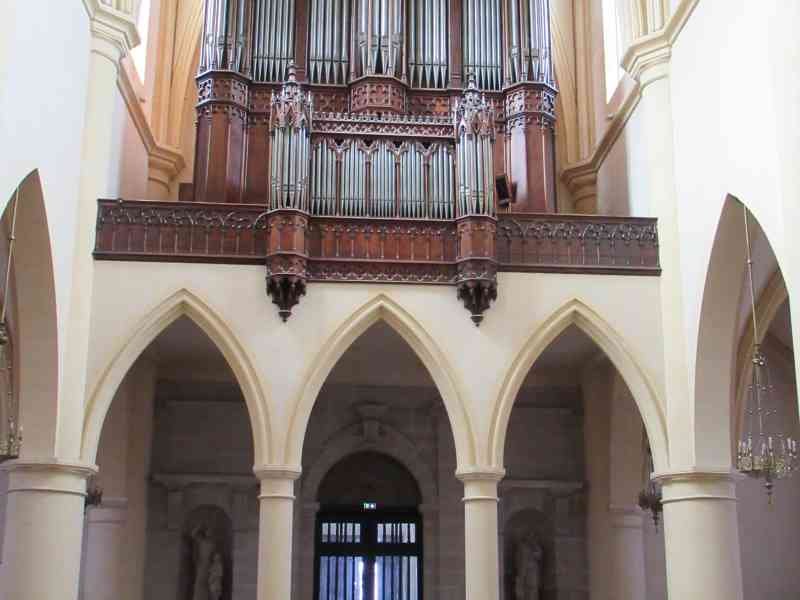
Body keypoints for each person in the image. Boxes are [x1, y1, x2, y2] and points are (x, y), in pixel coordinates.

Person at [190, 526, 217, 600]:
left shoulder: (209, 544)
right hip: (203, 567)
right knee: (200, 587)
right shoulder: (204, 543)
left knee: (203, 586)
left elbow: (213, 557)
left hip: (207, 568)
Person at [514, 533, 543, 600]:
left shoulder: (535, 546)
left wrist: (534, 548)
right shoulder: (521, 546)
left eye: (532, 537)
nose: (530, 538)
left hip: (532, 570)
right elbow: (517, 558)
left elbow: (539, 555)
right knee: (522, 588)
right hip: (523, 569)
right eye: (529, 536)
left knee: (533, 587)